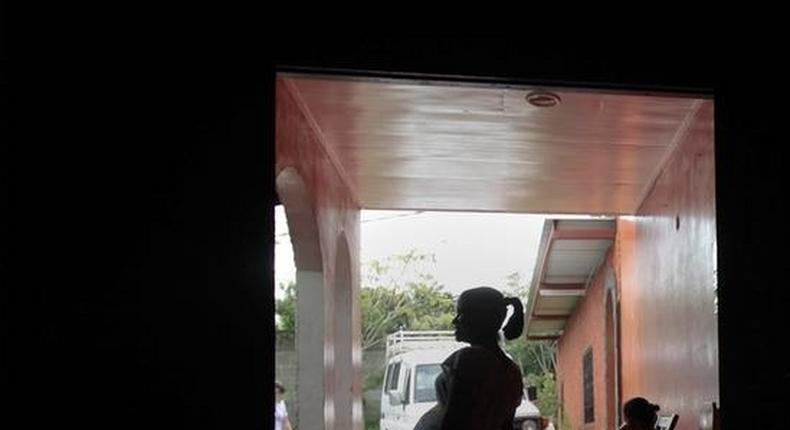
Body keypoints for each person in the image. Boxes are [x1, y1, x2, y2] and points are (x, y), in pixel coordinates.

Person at [439, 286, 525, 430]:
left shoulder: (470, 360)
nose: (455, 321)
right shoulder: (511, 369)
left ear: (480, 318)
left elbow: (453, 423)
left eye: (461, 313)